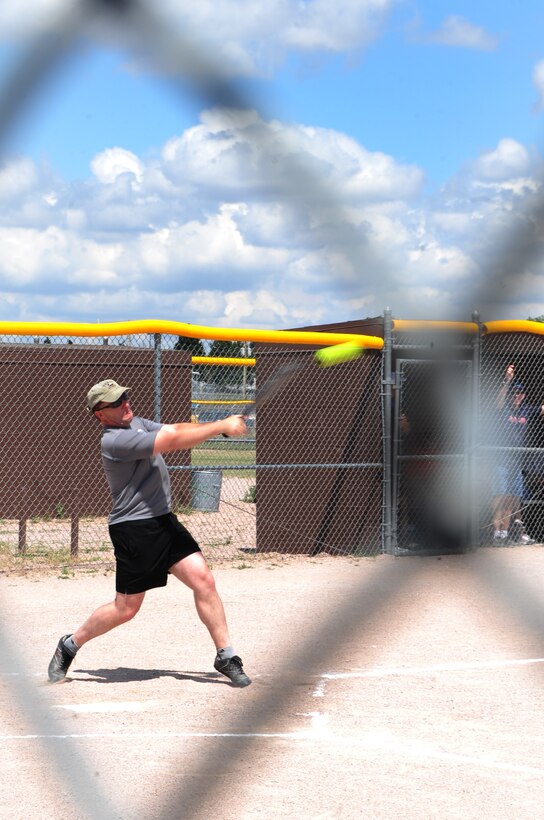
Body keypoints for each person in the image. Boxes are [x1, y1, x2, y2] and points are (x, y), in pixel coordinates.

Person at [48, 379, 251, 687]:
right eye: (116, 403)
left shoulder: (137, 424)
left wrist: (219, 426)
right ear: (100, 415)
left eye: (125, 396)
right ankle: (70, 644)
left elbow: (176, 429)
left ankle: (225, 655)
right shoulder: (114, 441)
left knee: (204, 580)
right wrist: (221, 423)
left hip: (164, 521)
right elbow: (172, 442)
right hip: (133, 529)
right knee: (125, 609)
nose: (125, 403)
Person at [491, 364, 544, 546]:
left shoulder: (526, 409)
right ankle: (496, 533)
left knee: (514, 498)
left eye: (520, 393)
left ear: (524, 395)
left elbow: (542, 409)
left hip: (517, 461)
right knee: (501, 495)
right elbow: (498, 400)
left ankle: (508, 533)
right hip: (501, 460)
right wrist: (507, 381)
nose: (517, 395)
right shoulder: (503, 408)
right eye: (514, 392)